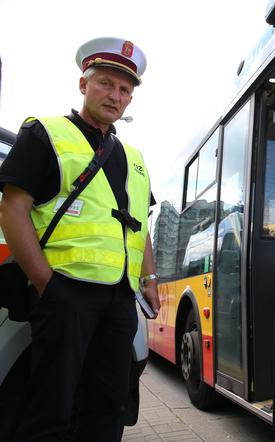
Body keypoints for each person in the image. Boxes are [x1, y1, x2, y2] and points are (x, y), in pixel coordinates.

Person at [0, 37, 161, 441]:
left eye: (125, 90)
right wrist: (46, 285)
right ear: (83, 84)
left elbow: (138, 225)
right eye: (106, 83)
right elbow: (13, 209)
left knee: (108, 404)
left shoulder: (134, 159)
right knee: (52, 405)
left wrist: (151, 280)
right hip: (65, 292)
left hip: (120, 300)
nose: (116, 95)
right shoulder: (46, 134)